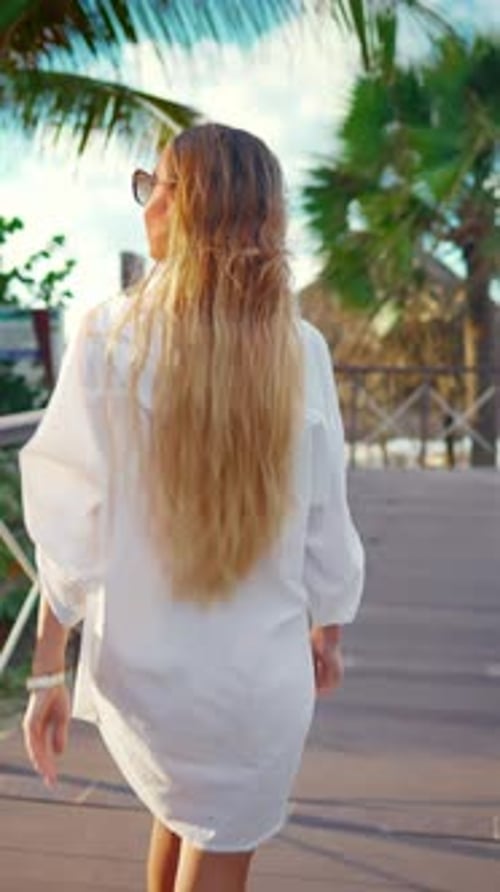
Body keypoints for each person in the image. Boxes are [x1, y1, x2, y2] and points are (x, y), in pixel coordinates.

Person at [20, 123, 364, 892]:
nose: (146, 203)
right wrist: (328, 628)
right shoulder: (298, 347)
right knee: (215, 829)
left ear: (189, 207)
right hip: (253, 683)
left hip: (146, 675)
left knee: (180, 817)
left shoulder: (111, 335)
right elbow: (325, 521)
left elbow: (71, 519)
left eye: (157, 185)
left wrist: (48, 671)